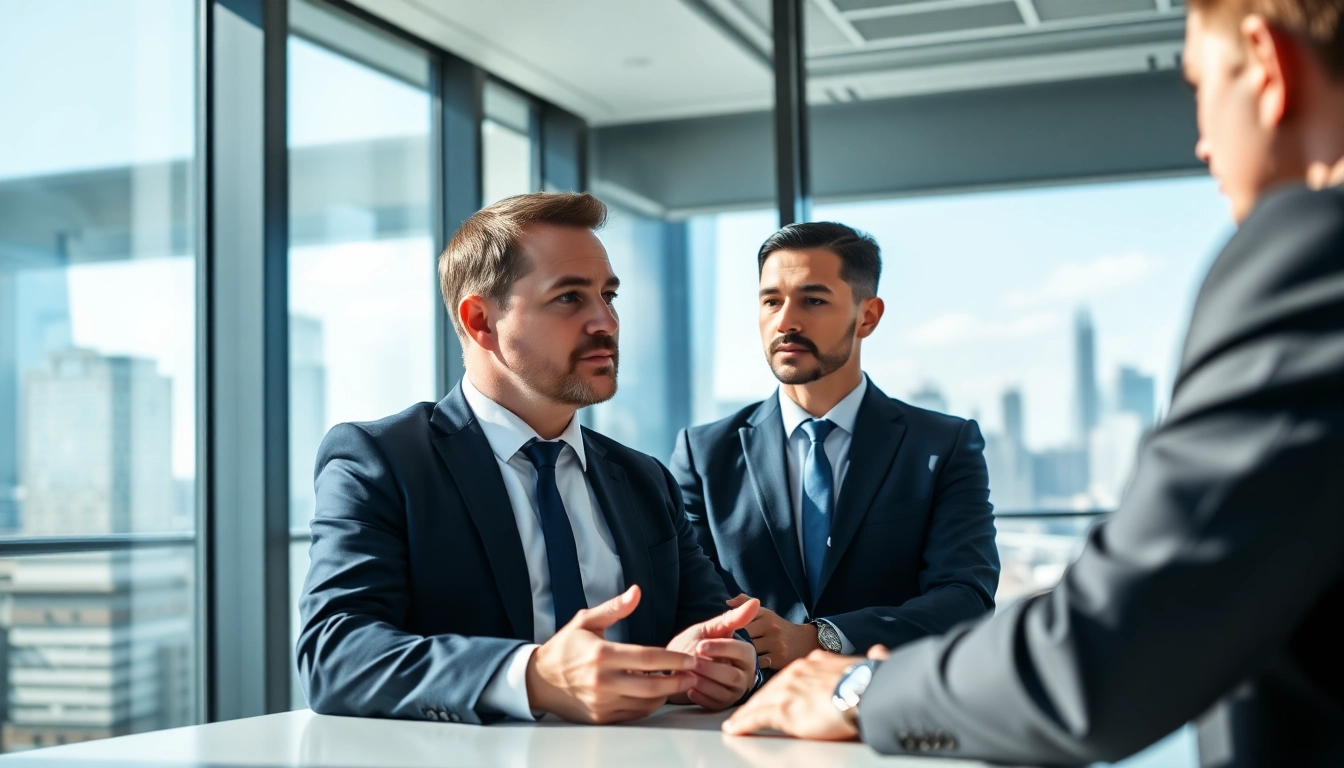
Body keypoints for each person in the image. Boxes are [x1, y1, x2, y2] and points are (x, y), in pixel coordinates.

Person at [723, 1, 1344, 765]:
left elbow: (1112, 652)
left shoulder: (1315, 258)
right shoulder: (707, 448)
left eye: (1201, 86)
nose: (1204, 142)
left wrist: (858, 689)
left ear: (1268, 63)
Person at [297, 192, 759, 726]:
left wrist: (728, 661)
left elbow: (716, 624)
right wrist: (533, 676)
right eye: (569, 298)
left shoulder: (642, 478)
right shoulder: (381, 461)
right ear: (480, 321)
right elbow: (336, 654)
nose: (605, 321)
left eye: (609, 296)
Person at [670, 222, 999, 673]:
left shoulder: (944, 445)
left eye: (813, 300)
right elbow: (687, 595)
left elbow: (966, 597)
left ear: (867, 316)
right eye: (771, 301)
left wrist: (820, 638)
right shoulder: (702, 453)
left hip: (889, 708)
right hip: (740, 714)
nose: (785, 321)